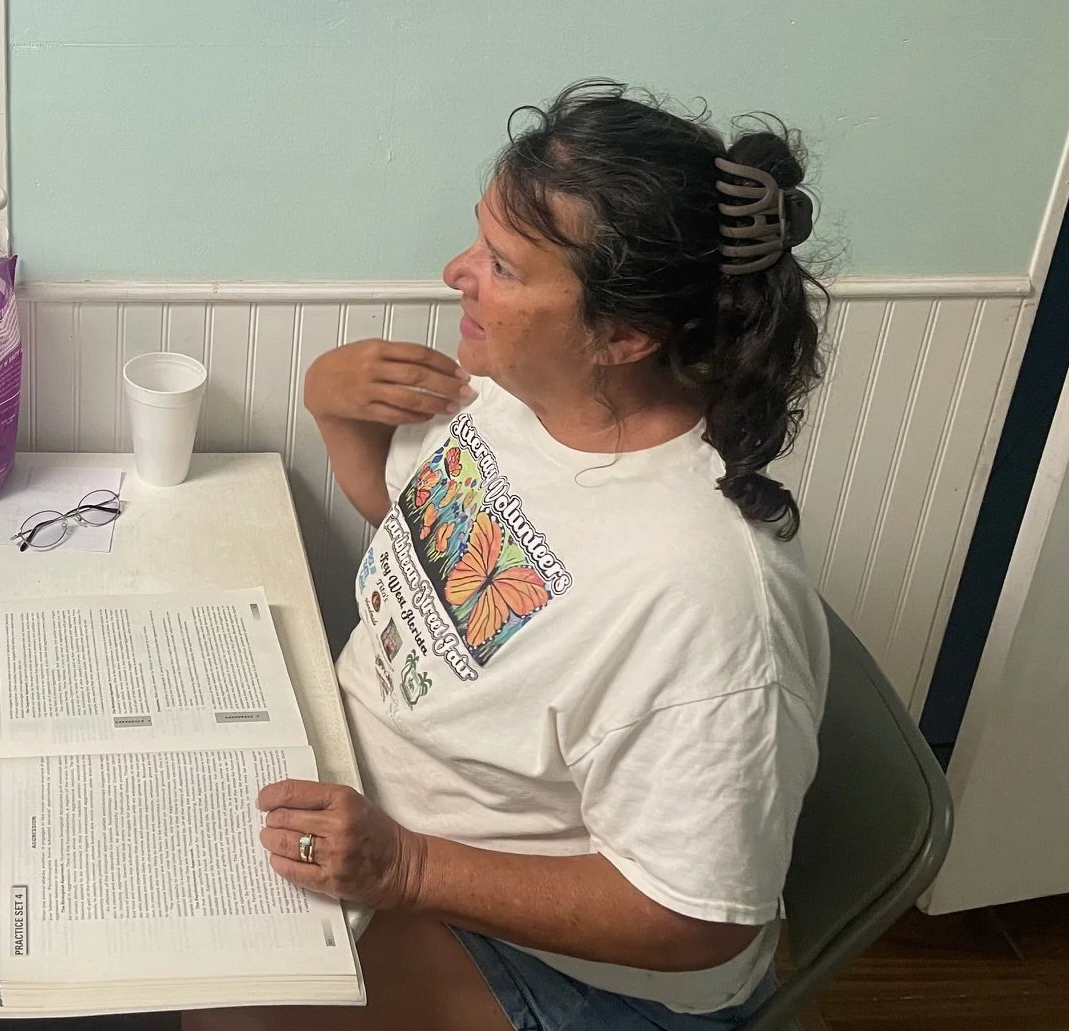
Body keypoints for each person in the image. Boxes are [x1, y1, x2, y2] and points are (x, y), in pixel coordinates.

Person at [197, 82, 831, 1031]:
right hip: (379, 821)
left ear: (623, 335)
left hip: (572, 970)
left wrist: (406, 868)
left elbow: (695, 916)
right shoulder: (515, 398)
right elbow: (440, 564)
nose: (458, 273)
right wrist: (333, 410)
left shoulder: (706, 597)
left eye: (501, 263)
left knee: (223, 996)